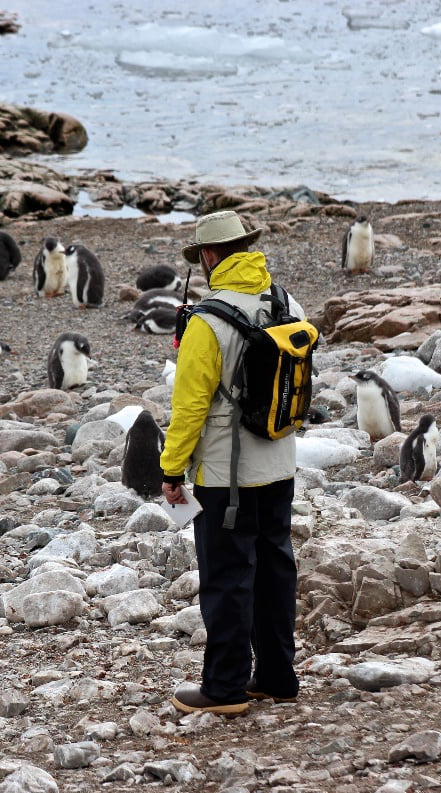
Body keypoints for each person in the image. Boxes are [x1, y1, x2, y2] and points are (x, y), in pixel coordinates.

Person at [161, 210, 301, 716]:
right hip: (280, 464)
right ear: (249, 248)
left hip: (225, 478)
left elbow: (190, 408)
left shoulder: (207, 322)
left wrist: (172, 471)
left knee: (228, 577)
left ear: (209, 256)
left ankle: (224, 687)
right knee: (275, 570)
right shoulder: (285, 302)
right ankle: (279, 678)